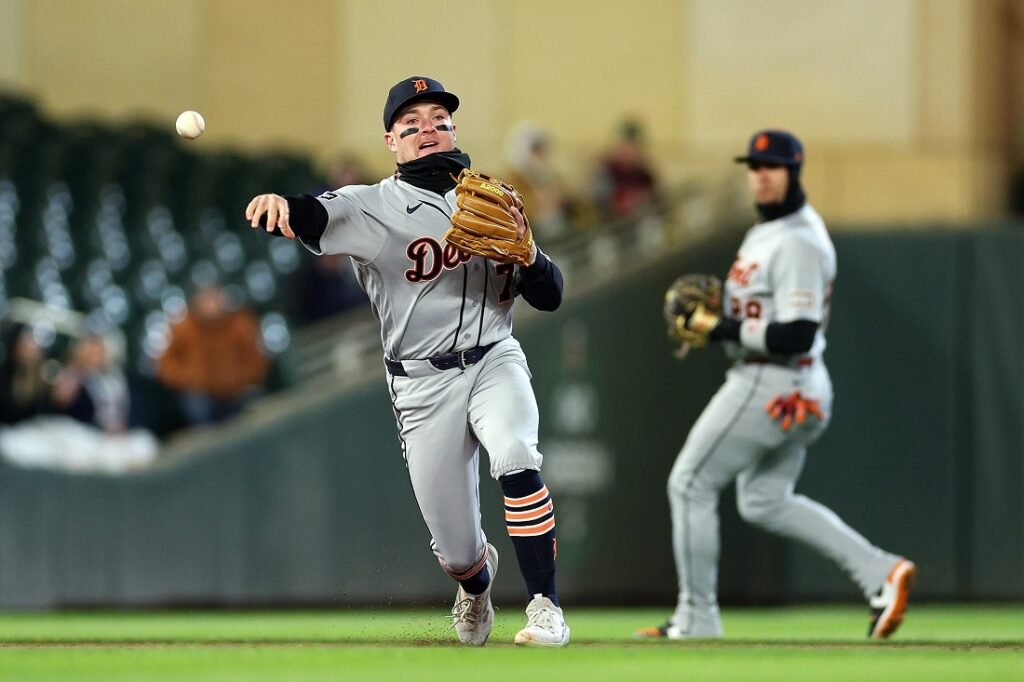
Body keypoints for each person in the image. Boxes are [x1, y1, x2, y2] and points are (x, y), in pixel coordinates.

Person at [245, 76, 570, 647]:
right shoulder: (371, 205)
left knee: (517, 452)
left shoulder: (493, 200)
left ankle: (545, 606)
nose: (428, 130)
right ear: (390, 141)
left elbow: (550, 293)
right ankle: (476, 584)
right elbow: (314, 214)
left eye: (439, 120)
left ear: (453, 132)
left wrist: (531, 254)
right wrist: (282, 205)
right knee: (457, 552)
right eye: (411, 123)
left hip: (495, 356)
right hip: (420, 384)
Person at [636, 130, 916, 640]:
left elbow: (799, 332)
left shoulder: (799, 239)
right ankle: (880, 571)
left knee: (690, 483)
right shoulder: (768, 231)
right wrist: (731, 316)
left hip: (773, 377)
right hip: (794, 383)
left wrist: (722, 328)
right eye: (754, 165)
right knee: (764, 498)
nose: (760, 174)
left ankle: (697, 617)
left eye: (771, 165)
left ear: (794, 170)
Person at [156, 285, 269, 426]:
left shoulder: (240, 323)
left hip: (236, 391)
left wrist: (240, 379)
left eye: (213, 298)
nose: (211, 305)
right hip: (203, 394)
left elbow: (257, 359)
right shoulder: (184, 328)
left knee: (253, 397)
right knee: (194, 404)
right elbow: (165, 365)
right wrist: (189, 378)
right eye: (206, 300)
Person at [0, 323, 51, 425]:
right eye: (28, 344)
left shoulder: (37, 378)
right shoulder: (4, 375)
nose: (33, 351)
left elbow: (40, 413)